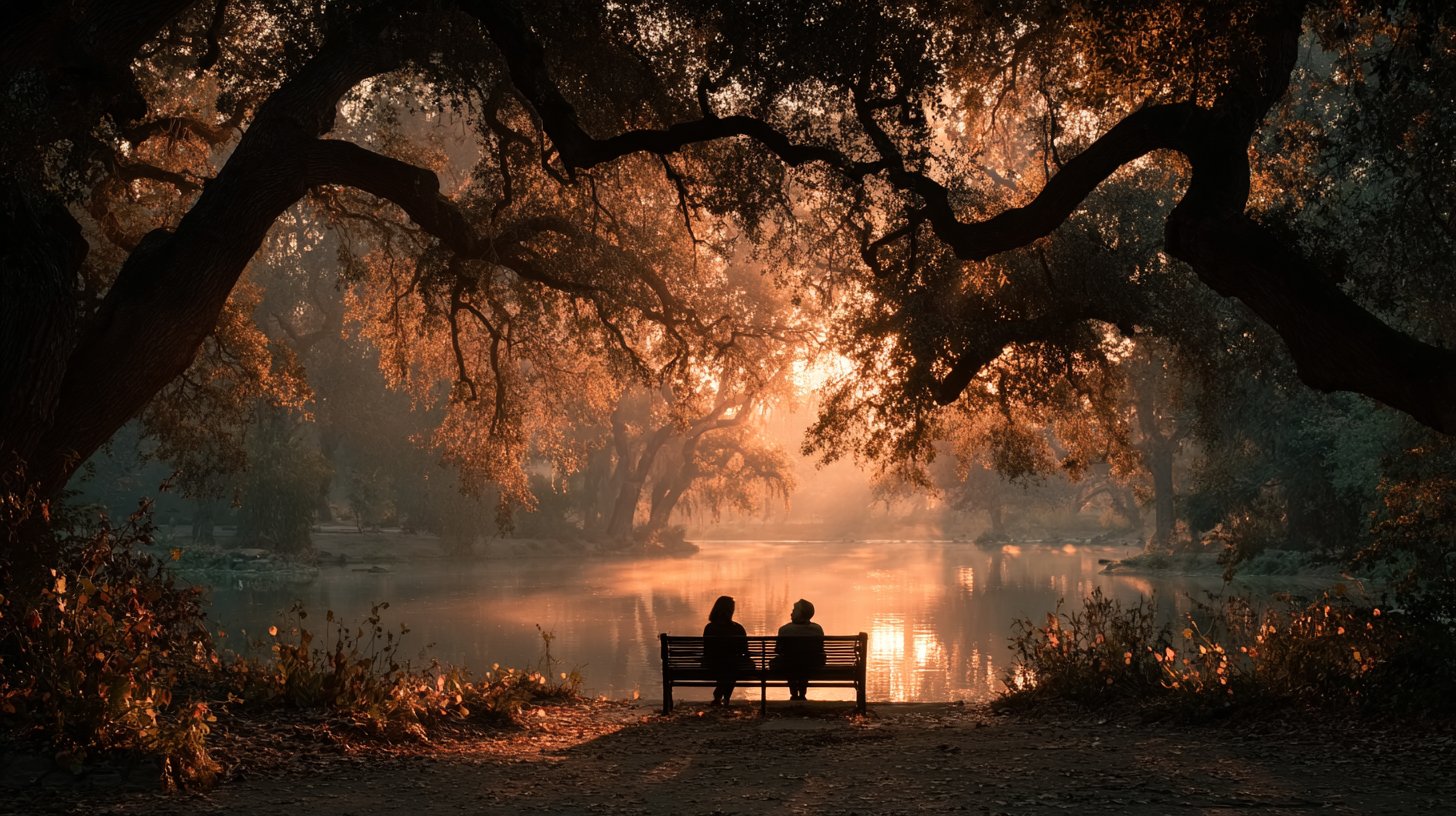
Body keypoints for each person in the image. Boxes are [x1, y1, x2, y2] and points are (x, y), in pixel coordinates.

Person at [772, 598, 825, 701]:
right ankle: (802, 694)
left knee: (789, 662)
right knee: (803, 662)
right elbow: (820, 649)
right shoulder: (817, 629)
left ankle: (794, 694)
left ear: (801, 613)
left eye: (794, 610)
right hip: (812, 665)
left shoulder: (785, 630)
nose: (791, 613)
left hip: (790, 665)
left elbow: (778, 650)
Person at [702, 595, 750, 706]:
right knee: (732, 666)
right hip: (732, 665)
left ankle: (718, 696)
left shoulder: (709, 627)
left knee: (726, 665)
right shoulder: (738, 628)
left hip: (713, 664)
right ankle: (725, 698)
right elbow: (745, 650)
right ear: (730, 610)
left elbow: (707, 650)